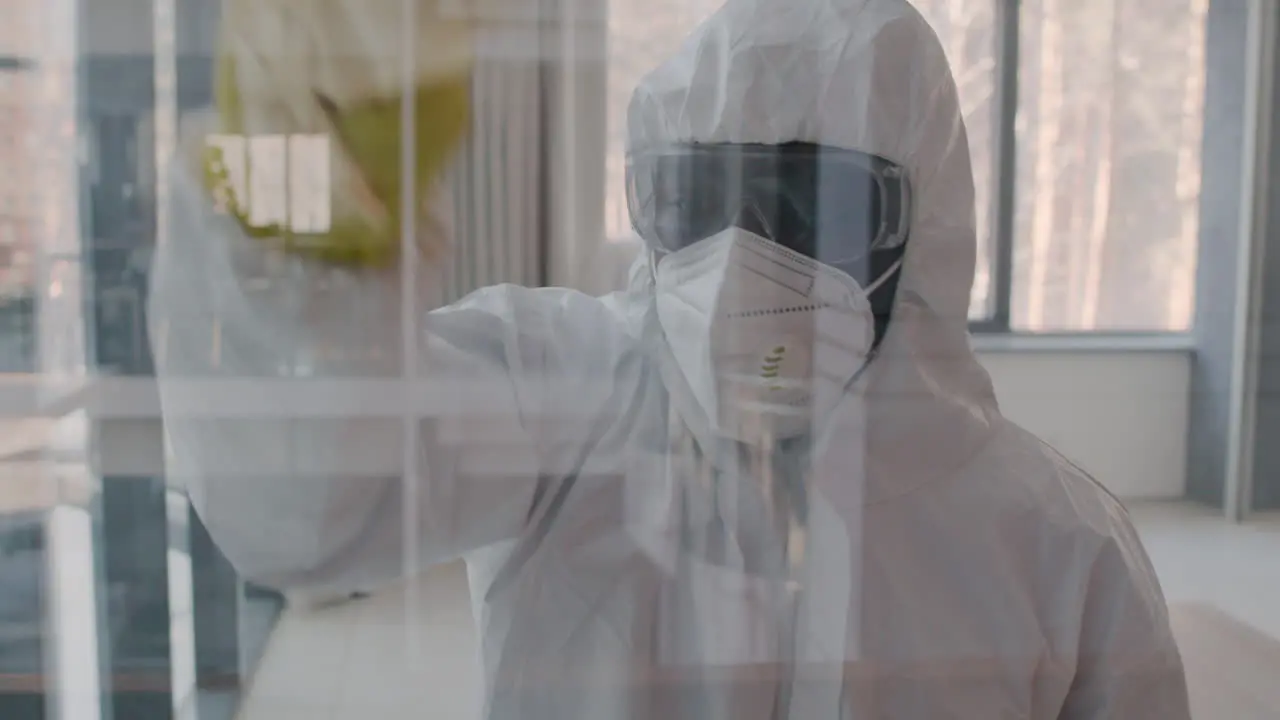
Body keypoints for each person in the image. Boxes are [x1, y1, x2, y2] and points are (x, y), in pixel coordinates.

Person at [148, 0, 1192, 717]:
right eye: (692, 200)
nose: (739, 259)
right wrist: (294, 236)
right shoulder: (563, 398)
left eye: (806, 206)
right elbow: (300, 508)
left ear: (921, 231)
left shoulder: (1056, 544)